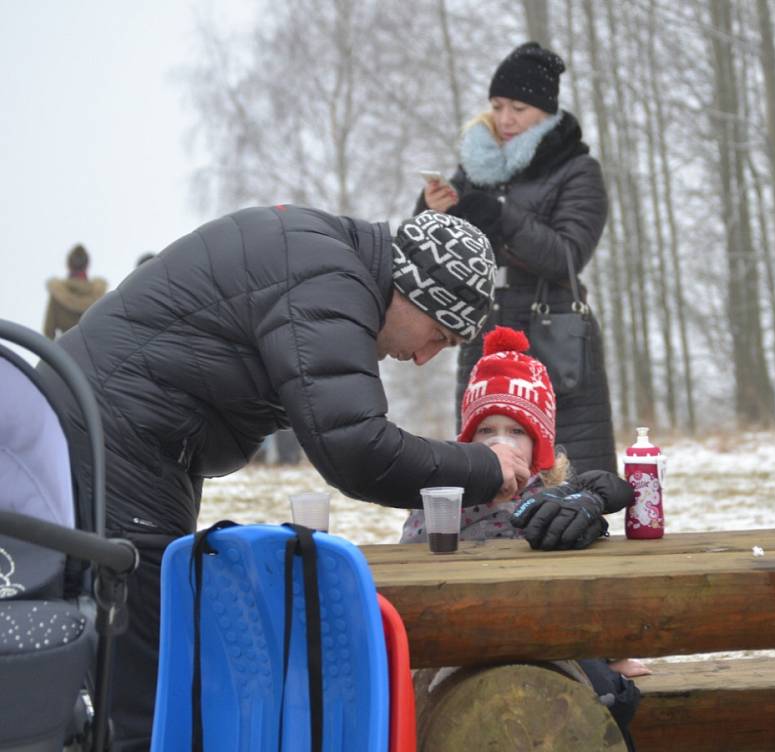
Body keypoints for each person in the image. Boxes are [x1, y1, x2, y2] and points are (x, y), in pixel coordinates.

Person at [36, 205, 531, 750]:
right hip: (114, 434)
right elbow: (356, 448)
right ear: (412, 288)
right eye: (438, 334)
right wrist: (484, 468)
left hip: (113, 431)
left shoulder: (328, 263)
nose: (423, 357)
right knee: (149, 681)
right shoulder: (330, 282)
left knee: (119, 652)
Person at [401, 326, 642, 751]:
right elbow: (414, 579)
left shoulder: (555, 499)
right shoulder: (442, 501)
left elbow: (589, 592)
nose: (499, 442)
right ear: (467, 443)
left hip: (544, 647)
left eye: (516, 432)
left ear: (539, 446)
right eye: (485, 431)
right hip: (460, 648)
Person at [418, 41, 616, 475]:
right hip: (485, 332)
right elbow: (435, 257)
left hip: (554, 329)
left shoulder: (579, 170)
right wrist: (430, 211)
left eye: (519, 108)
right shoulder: (474, 170)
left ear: (546, 111)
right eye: (497, 105)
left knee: (572, 470)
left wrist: (500, 217)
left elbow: (568, 254)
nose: (505, 119)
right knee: (489, 468)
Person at [42, 243, 107, 339]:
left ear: (68, 264)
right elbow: (105, 328)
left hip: (64, 351)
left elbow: (48, 332)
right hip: (93, 351)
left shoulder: (58, 293)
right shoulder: (99, 295)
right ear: (87, 264)